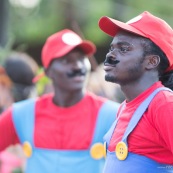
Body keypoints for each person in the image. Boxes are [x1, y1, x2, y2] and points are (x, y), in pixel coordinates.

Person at [0, 29, 120, 173]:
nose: (78, 66)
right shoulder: (21, 115)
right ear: (48, 71)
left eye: (82, 58)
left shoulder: (113, 115)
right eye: (67, 61)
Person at [98, 11, 173, 173]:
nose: (110, 55)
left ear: (151, 61)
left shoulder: (164, 104)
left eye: (124, 49)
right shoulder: (124, 108)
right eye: (111, 48)